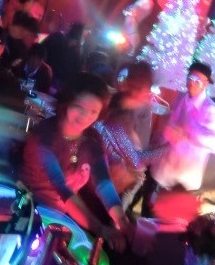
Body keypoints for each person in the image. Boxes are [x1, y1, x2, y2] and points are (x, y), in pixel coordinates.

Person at [19, 73, 131, 252]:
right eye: (79, 107)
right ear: (66, 103)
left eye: (94, 111)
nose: (85, 116)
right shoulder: (44, 137)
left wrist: (123, 222)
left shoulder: (92, 140)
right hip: (29, 213)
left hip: (59, 218)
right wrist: (100, 229)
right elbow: (62, 188)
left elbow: (103, 182)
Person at [150, 62, 215, 192]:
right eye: (190, 78)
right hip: (163, 168)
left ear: (206, 83)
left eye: (197, 80)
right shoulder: (181, 97)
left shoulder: (209, 109)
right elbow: (171, 121)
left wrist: (191, 131)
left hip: (183, 178)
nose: (192, 83)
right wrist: (164, 135)